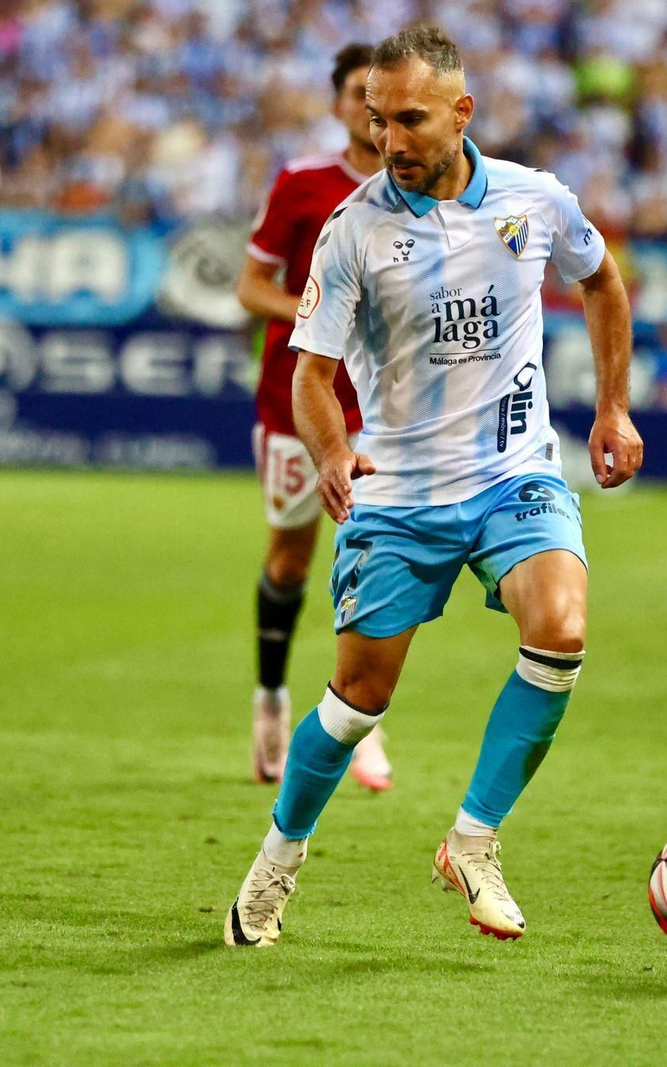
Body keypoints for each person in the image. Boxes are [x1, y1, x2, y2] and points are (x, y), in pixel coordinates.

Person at [223, 25, 642, 947]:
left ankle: (474, 841)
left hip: (513, 475)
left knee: (562, 629)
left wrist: (612, 408)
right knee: (356, 701)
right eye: (376, 121)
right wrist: (333, 455)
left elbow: (604, 282)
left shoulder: (536, 200)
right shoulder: (353, 229)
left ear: (462, 112)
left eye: (409, 119)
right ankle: (278, 857)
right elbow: (310, 373)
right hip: (401, 493)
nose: (390, 140)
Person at [235, 44, 392, 793]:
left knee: (371, 546)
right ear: (338, 105)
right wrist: (313, 317)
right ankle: (270, 697)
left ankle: (361, 717)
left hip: (387, 406)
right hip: (298, 400)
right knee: (292, 558)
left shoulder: (419, 187)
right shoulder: (303, 183)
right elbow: (249, 284)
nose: (371, 107)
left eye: (381, 94)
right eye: (360, 93)